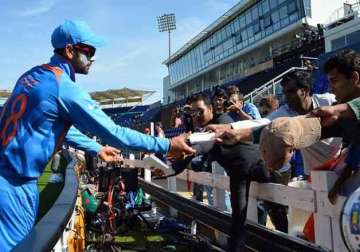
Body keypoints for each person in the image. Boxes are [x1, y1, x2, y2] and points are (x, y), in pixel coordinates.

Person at [0, 20, 194, 250]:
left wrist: (96, 149)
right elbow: (115, 133)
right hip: (14, 185)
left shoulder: (32, 75)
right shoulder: (65, 88)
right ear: (70, 51)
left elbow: (55, 126)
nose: (93, 58)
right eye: (88, 51)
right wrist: (167, 144)